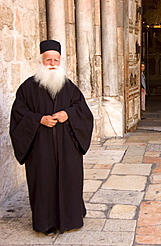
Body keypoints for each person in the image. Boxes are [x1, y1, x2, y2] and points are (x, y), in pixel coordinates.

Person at [9, 40, 94, 234]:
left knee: (70, 182)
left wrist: (68, 114)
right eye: (49, 60)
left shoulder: (69, 87)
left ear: (61, 61)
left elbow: (83, 111)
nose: (53, 64)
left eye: (56, 60)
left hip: (67, 148)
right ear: (41, 61)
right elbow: (18, 115)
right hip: (41, 148)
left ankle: (71, 220)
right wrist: (39, 119)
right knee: (43, 184)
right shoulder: (27, 88)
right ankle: (45, 223)